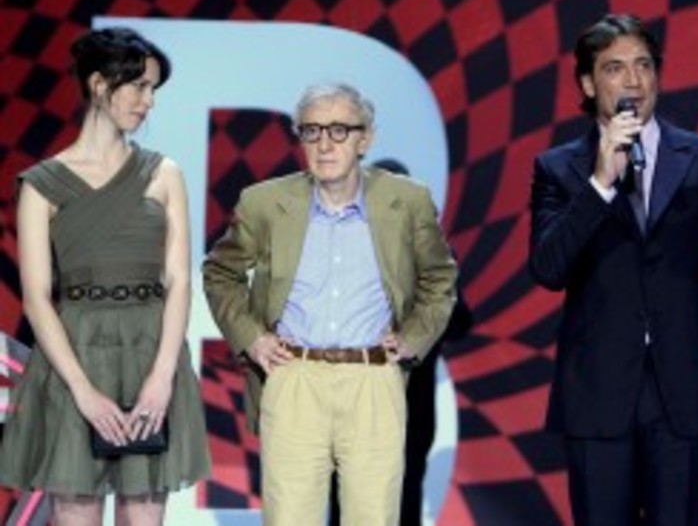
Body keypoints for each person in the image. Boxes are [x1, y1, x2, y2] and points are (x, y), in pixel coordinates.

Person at [528, 13, 698, 526]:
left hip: (684, 393)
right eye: (615, 68)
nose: (633, 80)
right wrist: (600, 184)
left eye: (644, 65)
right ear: (588, 84)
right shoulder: (558, 168)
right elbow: (548, 268)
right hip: (599, 396)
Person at [202, 83, 457, 526]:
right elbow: (220, 272)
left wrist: (413, 338)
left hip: (373, 380)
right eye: (312, 131)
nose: (324, 144)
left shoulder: (406, 201)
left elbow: (440, 277)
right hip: (294, 377)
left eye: (339, 130)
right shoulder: (265, 203)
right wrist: (252, 338)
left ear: (365, 139)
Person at [0, 27, 210, 525]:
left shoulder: (164, 174)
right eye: (139, 86)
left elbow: (179, 280)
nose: (148, 102)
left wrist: (161, 378)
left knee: (144, 510)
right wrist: (83, 391)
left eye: (153, 90)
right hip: (75, 355)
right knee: (75, 508)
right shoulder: (42, 184)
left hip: (149, 352)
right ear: (99, 85)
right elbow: (37, 297)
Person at [327, 158, 473, 526]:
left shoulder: (436, 258)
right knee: (344, 501)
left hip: (409, 407)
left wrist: (420, 325)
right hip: (346, 404)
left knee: (404, 501)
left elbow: (460, 322)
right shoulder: (334, 251)